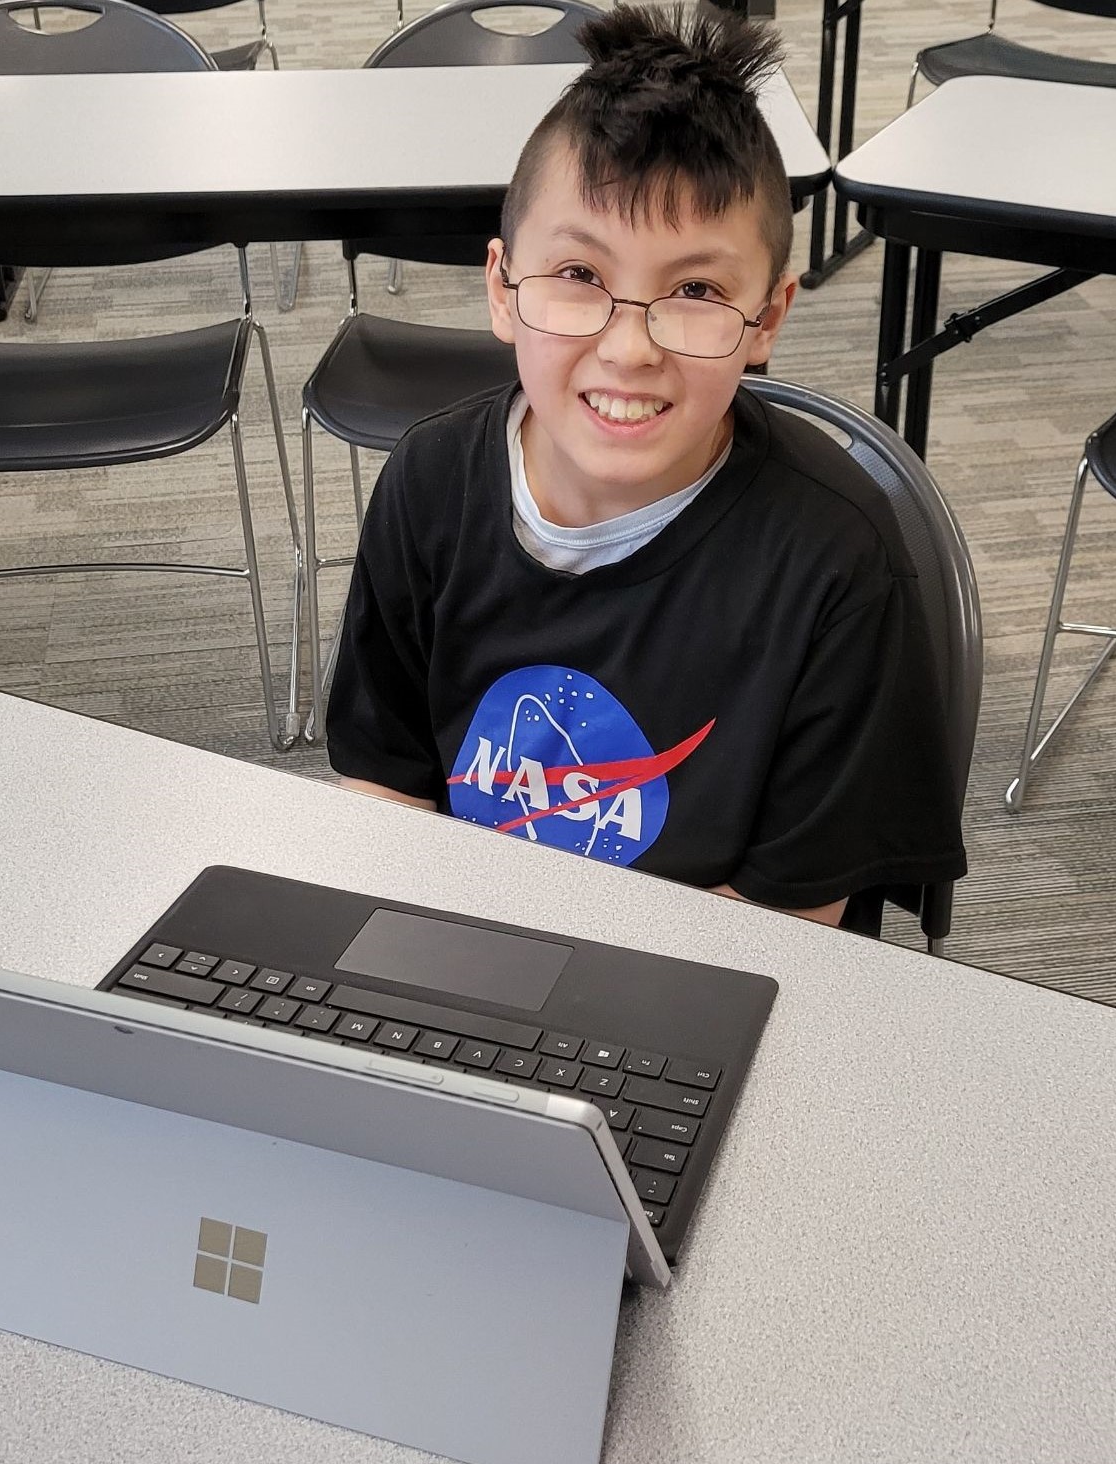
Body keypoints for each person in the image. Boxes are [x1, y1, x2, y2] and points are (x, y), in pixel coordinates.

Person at [326, 3, 965, 930]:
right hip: (463, 943)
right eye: (580, 276)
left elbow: (790, 922)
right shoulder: (430, 483)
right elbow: (385, 789)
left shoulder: (835, 563)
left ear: (770, 318)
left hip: (712, 973)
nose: (629, 349)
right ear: (502, 288)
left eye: (697, 291)